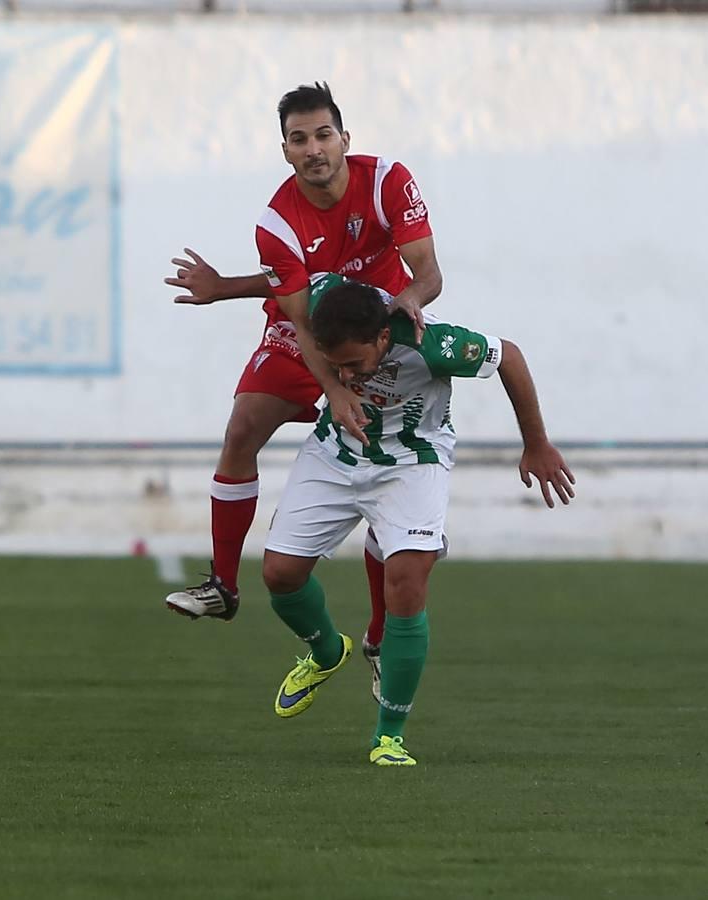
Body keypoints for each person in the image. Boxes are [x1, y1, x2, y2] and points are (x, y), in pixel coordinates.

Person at [163, 83, 442, 702]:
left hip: (380, 332)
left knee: (382, 466)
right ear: (284, 150)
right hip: (309, 334)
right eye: (299, 139)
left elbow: (428, 273)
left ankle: (375, 638)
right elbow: (295, 311)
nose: (313, 149)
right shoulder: (277, 218)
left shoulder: (388, 180)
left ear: (345, 138)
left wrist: (408, 304)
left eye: (323, 135)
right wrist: (332, 390)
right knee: (241, 430)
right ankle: (224, 586)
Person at [262, 274, 574, 766]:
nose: (345, 376)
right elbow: (282, 286)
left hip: (413, 462)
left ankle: (389, 737)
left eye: (354, 364)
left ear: (383, 338)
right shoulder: (323, 298)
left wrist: (536, 443)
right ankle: (326, 652)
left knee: (407, 582)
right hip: (335, 453)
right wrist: (218, 287)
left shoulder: (434, 344)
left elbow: (508, 356)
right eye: (334, 364)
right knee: (279, 575)